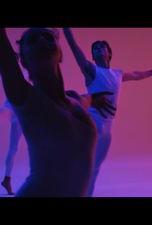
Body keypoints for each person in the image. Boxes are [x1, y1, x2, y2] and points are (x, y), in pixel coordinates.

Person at [0, 28, 115, 197]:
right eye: (32, 40)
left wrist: (94, 99)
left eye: (47, 36)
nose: (41, 39)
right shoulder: (27, 99)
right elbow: (1, 48)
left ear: (60, 53)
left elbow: (85, 99)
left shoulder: (74, 100)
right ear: (23, 61)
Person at [63, 28, 152, 196]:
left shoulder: (117, 74)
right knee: (82, 167)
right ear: (93, 56)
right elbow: (74, 48)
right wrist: (66, 30)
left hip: (106, 133)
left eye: (101, 47)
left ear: (109, 53)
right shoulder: (91, 70)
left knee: (93, 171)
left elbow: (138, 74)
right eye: (95, 48)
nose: (98, 49)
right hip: (89, 126)